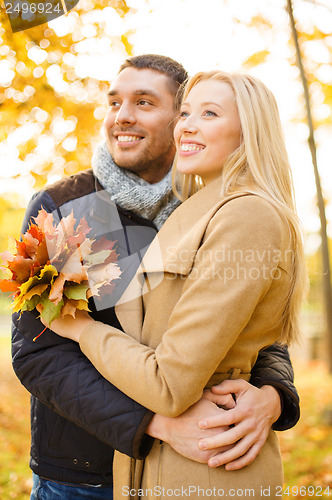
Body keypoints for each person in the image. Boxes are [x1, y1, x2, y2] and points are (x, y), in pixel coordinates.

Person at [12, 56, 300, 500]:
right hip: (81, 473)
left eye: (144, 102)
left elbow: (253, 327)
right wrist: (155, 424)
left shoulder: (214, 206)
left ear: (174, 119)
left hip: (186, 468)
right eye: (114, 102)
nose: (122, 115)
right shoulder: (67, 205)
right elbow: (39, 354)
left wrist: (273, 393)